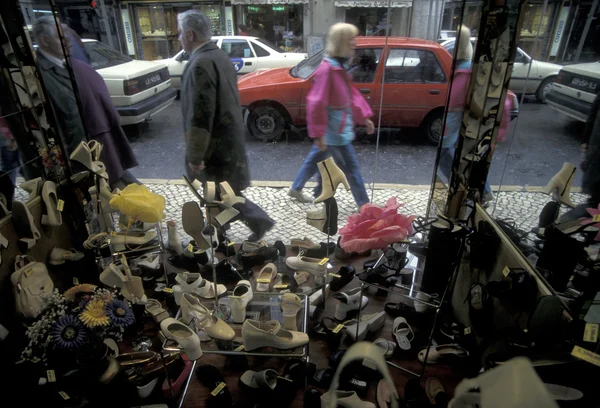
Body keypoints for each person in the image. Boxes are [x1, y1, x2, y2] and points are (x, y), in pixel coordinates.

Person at [178, 10, 274, 241]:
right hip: (228, 139)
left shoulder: (200, 63)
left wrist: (195, 155)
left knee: (223, 191)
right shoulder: (218, 56)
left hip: (214, 146)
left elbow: (199, 115)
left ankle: (258, 221)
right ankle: (220, 228)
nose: (178, 37)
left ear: (190, 34)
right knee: (219, 190)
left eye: (180, 33)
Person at [33, 16, 139, 188]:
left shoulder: (75, 65)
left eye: (67, 34)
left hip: (101, 150)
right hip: (78, 161)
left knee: (130, 197)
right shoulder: (39, 77)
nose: (68, 40)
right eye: (60, 37)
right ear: (44, 41)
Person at [287, 23, 374, 209]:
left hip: (336, 128)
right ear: (342, 42)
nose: (354, 43)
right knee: (351, 168)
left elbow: (351, 95)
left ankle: (299, 188)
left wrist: (364, 116)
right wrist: (318, 133)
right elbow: (316, 101)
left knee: (317, 159)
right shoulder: (329, 69)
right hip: (334, 130)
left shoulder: (338, 67)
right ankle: (364, 205)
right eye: (351, 39)